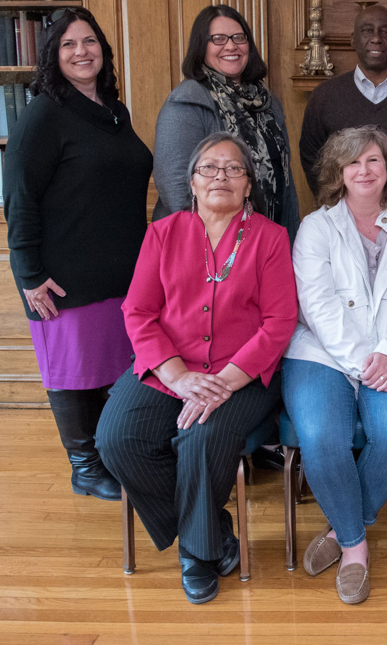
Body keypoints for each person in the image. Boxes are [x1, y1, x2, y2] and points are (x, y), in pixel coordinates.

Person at [95, 133, 297, 605]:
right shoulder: (163, 233)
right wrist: (176, 375)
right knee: (116, 439)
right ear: (191, 182)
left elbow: (279, 321)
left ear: (249, 185)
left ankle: (199, 553)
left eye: (233, 169)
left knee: (202, 437)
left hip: (240, 375)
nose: (221, 177)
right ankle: (215, 531)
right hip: (169, 367)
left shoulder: (270, 238)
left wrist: (223, 383)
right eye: (209, 168)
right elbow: (138, 312)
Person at [4, 6, 152, 503]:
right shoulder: (43, 114)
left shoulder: (113, 110)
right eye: (68, 44)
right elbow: (19, 199)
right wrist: (29, 274)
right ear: (53, 55)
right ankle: (84, 467)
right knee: (72, 371)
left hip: (123, 273)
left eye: (89, 42)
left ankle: (113, 456)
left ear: (103, 52)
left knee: (112, 369)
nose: (81, 51)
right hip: (64, 278)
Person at [282, 126, 387, 605]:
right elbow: (318, 307)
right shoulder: (316, 227)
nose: (363, 171)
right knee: (323, 436)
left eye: (373, 160)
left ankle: (341, 529)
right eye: (353, 163)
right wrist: (369, 366)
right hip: (322, 355)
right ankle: (355, 551)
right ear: (338, 173)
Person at [154, 4, 300, 240]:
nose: (231, 46)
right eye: (218, 39)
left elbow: (285, 184)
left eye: (238, 38)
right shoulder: (187, 102)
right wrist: (222, 247)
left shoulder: (267, 102)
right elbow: (177, 191)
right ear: (202, 47)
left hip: (267, 239)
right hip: (209, 245)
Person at [299, 5, 387, 216]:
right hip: (343, 220)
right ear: (353, 40)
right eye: (367, 30)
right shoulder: (325, 96)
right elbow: (312, 157)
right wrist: (335, 202)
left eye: (385, 31)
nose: (376, 38)